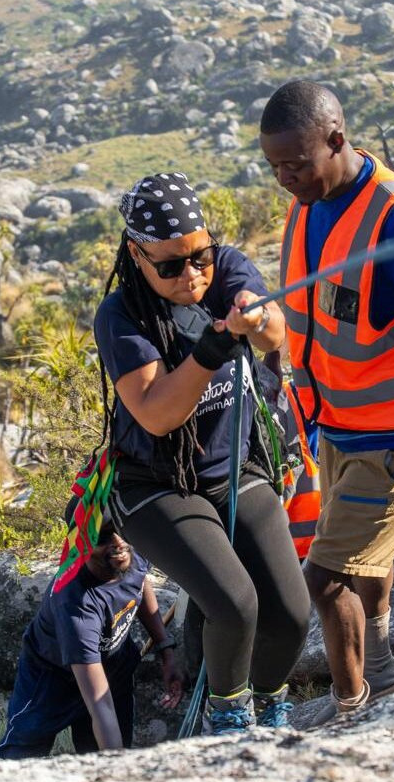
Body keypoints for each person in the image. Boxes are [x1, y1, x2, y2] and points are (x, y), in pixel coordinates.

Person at [260, 81, 394, 723]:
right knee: (364, 558)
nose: (285, 178)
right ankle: (381, 669)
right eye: (274, 167)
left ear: (336, 139)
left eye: (296, 163)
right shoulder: (309, 203)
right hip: (338, 424)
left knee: (324, 580)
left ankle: (350, 707)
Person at [93, 172, 310, 734]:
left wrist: (257, 317)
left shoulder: (226, 268)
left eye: (200, 258)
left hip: (234, 469)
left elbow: (275, 335)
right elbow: (159, 412)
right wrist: (212, 349)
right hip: (155, 487)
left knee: (289, 611)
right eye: (170, 265)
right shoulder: (121, 316)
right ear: (137, 256)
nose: (191, 275)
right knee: (236, 604)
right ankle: (229, 716)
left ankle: (269, 703)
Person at [0, 510, 183, 758]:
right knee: (22, 754)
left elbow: (140, 581)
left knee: (100, 751)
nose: (118, 542)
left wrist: (165, 648)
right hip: (52, 681)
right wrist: (115, 771)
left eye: (119, 529)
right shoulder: (77, 604)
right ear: (80, 542)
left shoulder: (130, 550)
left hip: (112, 666)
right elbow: (100, 704)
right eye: (103, 537)